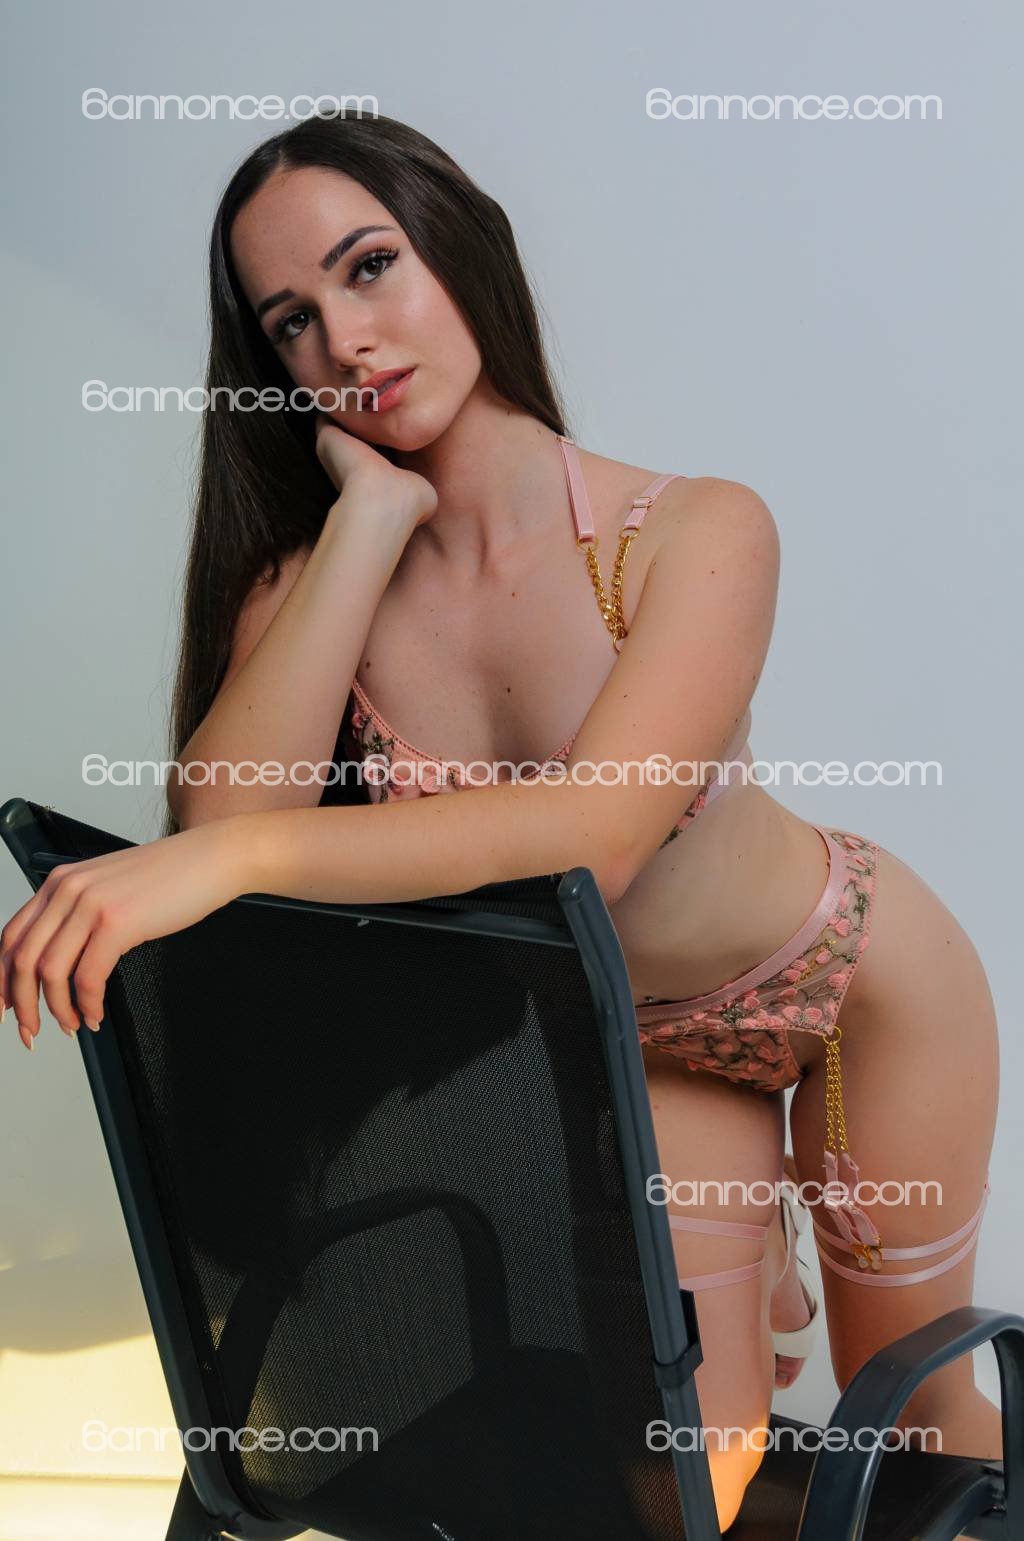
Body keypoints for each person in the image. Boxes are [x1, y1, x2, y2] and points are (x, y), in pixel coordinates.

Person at [0, 111, 1001, 1530]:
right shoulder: (316, 586)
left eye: (370, 267)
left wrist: (229, 856)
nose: (345, 340)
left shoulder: (694, 529)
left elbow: (592, 836)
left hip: (852, 989)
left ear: (459, 245)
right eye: (292, 322)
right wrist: (367, 524)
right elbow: (219, 822)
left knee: (922, 1434)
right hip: (637, 1041)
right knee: (684, 1484)